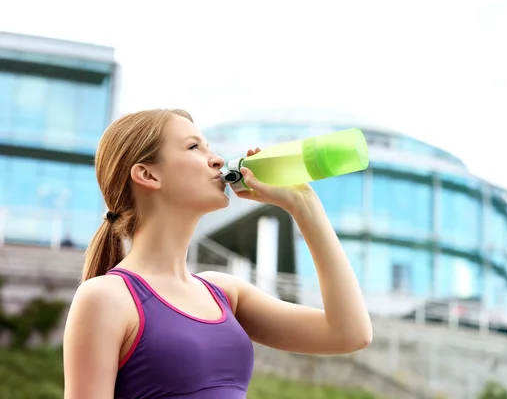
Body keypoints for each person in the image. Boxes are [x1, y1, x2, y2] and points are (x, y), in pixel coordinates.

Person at [63, 109, 373, 399]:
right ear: (147, 175)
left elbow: (349, 333)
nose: (217, 160)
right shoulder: (106, 298)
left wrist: (304, 206)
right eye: (194, 147)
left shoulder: (225, 293)